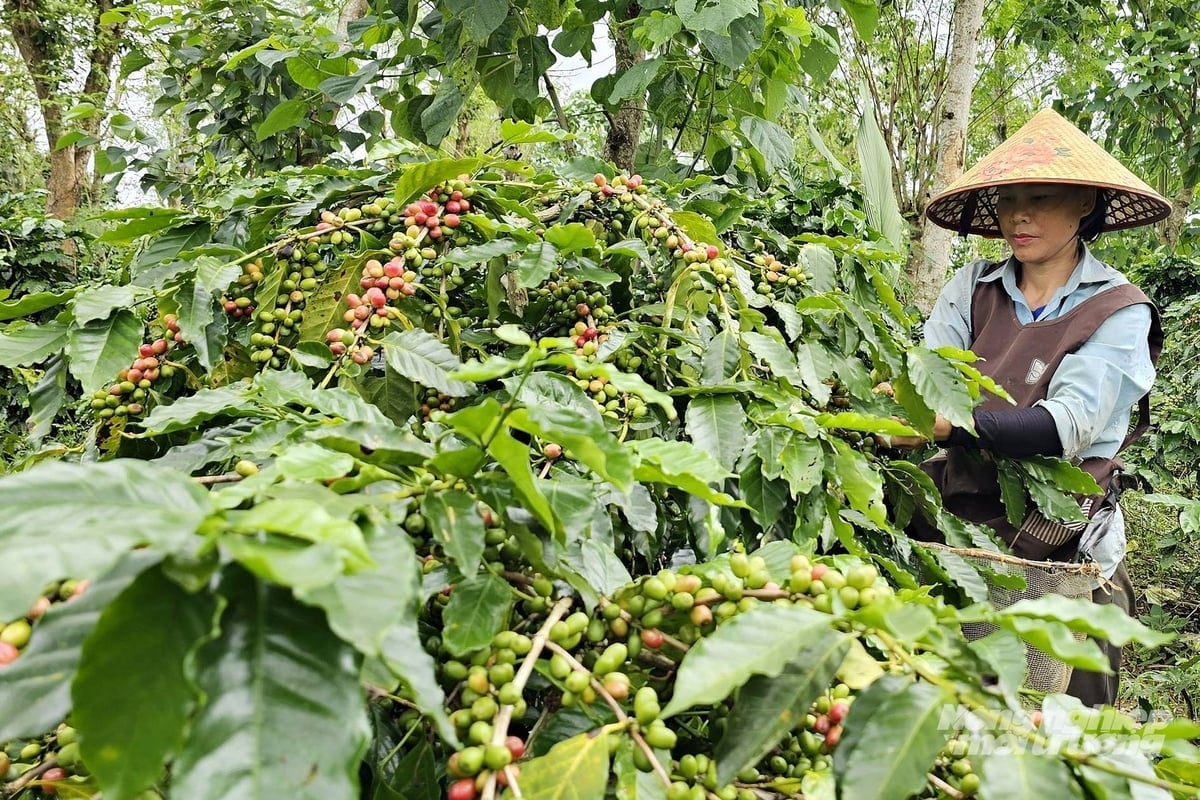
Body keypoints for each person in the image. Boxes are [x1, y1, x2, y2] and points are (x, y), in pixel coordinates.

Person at [894, 107, 1171, 707]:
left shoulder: (1118, 311)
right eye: (1009, 198)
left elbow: (1062, 427)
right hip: (949, 528)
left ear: (1085, 206)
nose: (1019, 214)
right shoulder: (971, 286)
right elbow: (931, 378)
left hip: (1055, 546)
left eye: (1041, 197)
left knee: (1066, 726)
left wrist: (948, 423)